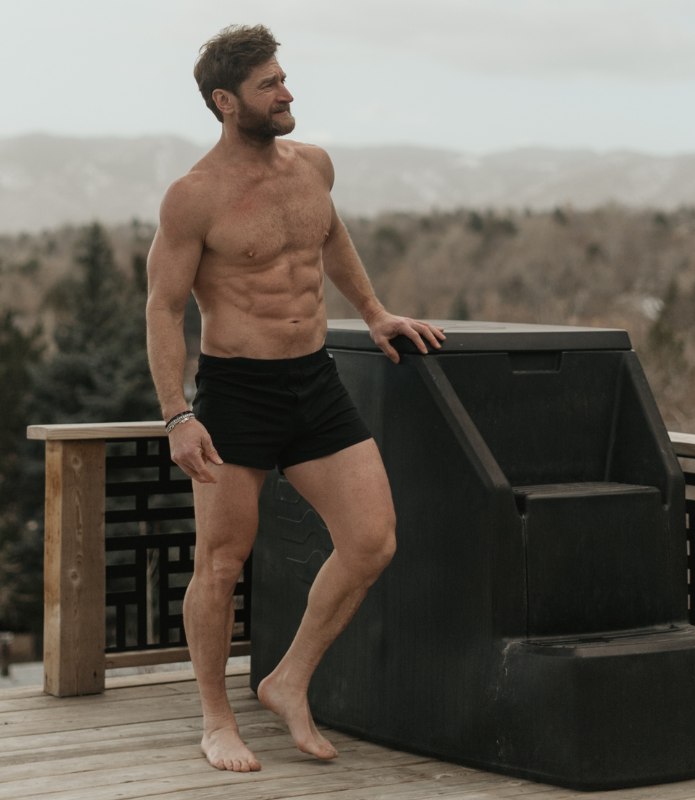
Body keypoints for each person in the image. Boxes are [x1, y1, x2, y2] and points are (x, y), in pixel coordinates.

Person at [145, 24, 445, 773]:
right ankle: (217, 720)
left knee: (373, 539)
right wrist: (177, 413)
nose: (286, 93)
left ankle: (289, 678)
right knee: (220, 563)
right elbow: (161, 307)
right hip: (236, 395)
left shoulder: (313, 166)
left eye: (283, 78)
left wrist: (375, 314)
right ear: (225, 101)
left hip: (315, 383)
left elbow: (329, 239)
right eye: (268, 84)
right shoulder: (193, 197)